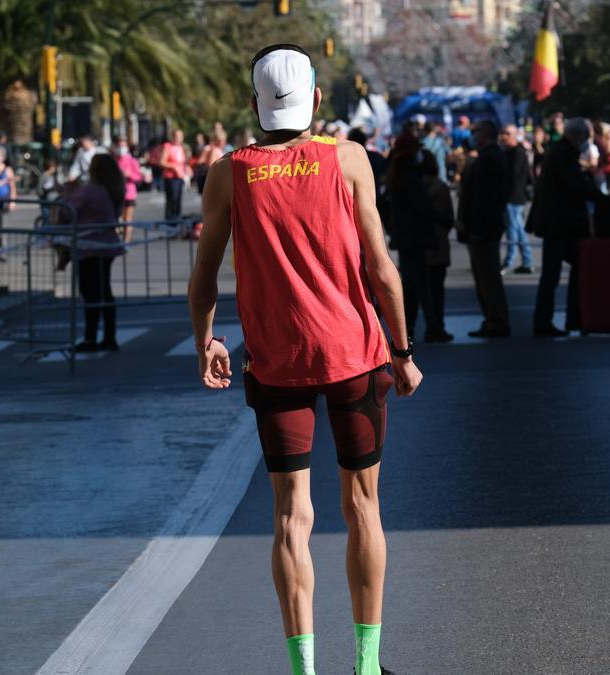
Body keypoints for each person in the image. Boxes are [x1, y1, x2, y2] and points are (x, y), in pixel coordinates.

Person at [189, 44, 417, 675]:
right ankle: (367, 667)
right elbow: (381, 269)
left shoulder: (228, 172)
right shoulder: (348, 161)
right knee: (363, 507)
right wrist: (402, 352)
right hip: (354, 356)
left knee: (292, 516)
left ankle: (303, 671)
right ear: (317, 100)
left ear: (253, 106)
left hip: (276, 364)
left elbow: (203, 275)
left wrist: (206, 340)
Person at [526, 117, 600, 336]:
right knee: (553, 275)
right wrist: (603, 199)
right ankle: (554, 320)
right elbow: (576, 185)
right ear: (577, 136)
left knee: (558, 273)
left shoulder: (561, 152)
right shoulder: (564, 154)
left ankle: (570, 318)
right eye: (585, 137)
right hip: (559, 224)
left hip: (558, 223)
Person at [385, 134, 450, 340]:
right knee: (420, 285)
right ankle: (430, 327)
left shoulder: (397, 176)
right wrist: (443, 220)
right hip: (415, 237)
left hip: (406, 238)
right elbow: (423, 207)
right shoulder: (411, 177)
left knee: (413, 285)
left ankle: (411, 329)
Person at [61, 153, 125, 351]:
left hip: (88, 245)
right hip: (107, 244)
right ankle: (109, 336)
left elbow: (68, 212)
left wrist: (66, 195)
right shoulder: (114, 190)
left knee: (90, 293)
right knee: (104, 290)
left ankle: (90, 338)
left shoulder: (90, 191)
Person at [457, 119, 511, 337]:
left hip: (484, 229)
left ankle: (497, 321)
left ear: (485, 134)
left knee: (488, 278)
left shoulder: (490, 158)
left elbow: (484, 199)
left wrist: (477, 228)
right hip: (482, 228)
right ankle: (492, 319)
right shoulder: (488, 157)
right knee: (484, 278)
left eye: (475, 132)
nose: (472, 135)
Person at [420, 149, 454, 342]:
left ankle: (433, 325)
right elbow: (447, 217)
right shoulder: (439, 187)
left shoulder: (421, 186)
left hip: (428, 243)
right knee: (436, 289)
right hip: (437, 243)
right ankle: (436, 325)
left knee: (427, 289)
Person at [499, 124, 534, 274]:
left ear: (514, 135)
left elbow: (514, 177)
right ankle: (527, 261)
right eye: (503, 133)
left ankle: (509, 261)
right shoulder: (509, 152)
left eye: (507, 133)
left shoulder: (517, 153)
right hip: (513, 198)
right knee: (518, 230)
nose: (503, 136)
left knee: (512, 231)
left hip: (513, 198)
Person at [113, 136, 142, 242]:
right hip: (115, 193)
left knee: (127, 218)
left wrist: (129, 175)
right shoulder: (113, 160)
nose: (121, 148)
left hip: (129, 193)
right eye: (119, 146)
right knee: (115, 218)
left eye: (123, 146)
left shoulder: (132, 160)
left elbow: (138, 177)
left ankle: (126, 241)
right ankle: (115, 239)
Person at [160, 129, 189, 224]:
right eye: (177, 136)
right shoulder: (167, 146)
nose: (178, 138)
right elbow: (162, 162)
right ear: (172, 137)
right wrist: (173, 167)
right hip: (171, 177)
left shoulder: (181, 147)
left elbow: (182, 162)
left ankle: (176, 222)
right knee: (172, 201)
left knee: (178, 201)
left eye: (180, 136)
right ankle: (170, 224)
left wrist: (187, 169)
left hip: (180, 177)